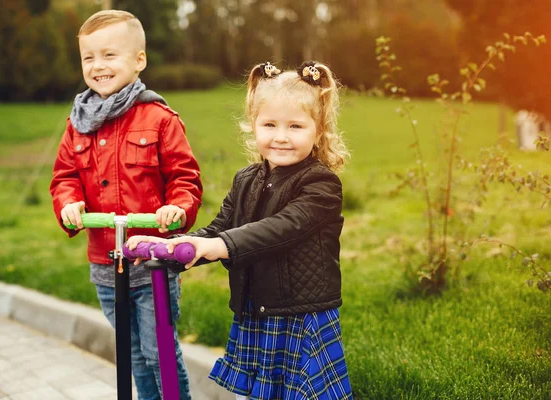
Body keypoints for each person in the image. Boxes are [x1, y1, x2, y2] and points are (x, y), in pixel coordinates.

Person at [127, 61, 353, 399]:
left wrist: (220, 246)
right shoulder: (247, 179)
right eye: (270, 124)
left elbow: (281, 229)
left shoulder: (320, 184)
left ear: (318, 131)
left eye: (295, 126)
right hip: (257, 313)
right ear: (254, 125)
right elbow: (219, 228)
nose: (281, 136)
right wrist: (172, 245)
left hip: (298, 316)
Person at [49, 10, 202, 400]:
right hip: (105, 264)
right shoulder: (78, 122)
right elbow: (65, 176)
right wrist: (69, 204)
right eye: (89, 57)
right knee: (132, 355)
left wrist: (177, 210)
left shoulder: (159, 118)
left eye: (109, 55)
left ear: (139, 60)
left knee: (159, 353)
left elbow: (185, 179)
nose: (98, 65)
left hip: (152, 264)